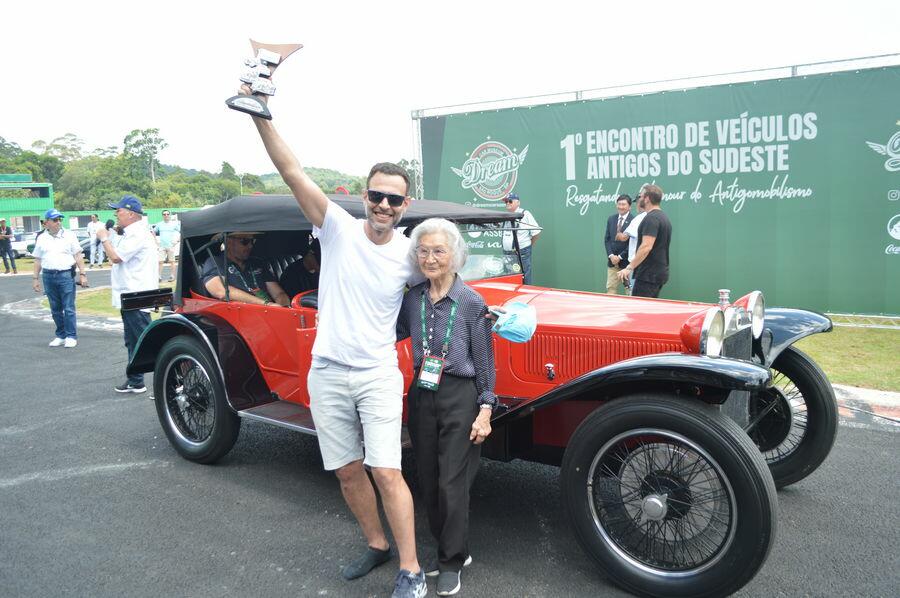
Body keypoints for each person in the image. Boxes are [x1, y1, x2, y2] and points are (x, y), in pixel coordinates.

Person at [241, 84, 426, 597]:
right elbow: (292, 172)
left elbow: (446, 284)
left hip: (376, 374)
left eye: (394, 198)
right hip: (326, 370)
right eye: (376, 195)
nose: (384, 204)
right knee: (346, 471)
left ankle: (411, 570)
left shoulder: (411, 253)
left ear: (404, 204)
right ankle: (376, 545)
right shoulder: (337, 227)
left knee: (386, 470)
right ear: (363, 195)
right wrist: (262, 117)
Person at [397, 218, 495, 597]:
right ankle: (454, 547)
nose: (430, 258)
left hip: (460, 394)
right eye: (423, 250)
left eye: (438, 250)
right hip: (422, 390)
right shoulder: (413, 297)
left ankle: (451, 560)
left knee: (451, 480)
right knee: (426, 475)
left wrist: (485, 409)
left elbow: (485, 361)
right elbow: (395, 332)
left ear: (455, 255)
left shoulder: (471, 302)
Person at [96, 195, 159, 393]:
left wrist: (104, 237)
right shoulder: (131, 232)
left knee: (146, 341)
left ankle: (173, 382)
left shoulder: (137, 233)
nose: (116, 214)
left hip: (137, 294)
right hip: (130, 294)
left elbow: (116, 257)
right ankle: (135, 380)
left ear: (131, 214)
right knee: (132, 340)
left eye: (119, 210)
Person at [31, 208, 88, 347]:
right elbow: (38, 259)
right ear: (46, 223)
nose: (58, 222)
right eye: (55, 220)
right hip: (48, 275)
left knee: (68, 307)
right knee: (55, 308)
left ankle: (71, 336)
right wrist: (35, 278)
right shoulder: (42, 237)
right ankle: (61, 335)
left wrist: (83, 274)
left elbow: (78, 255)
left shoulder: (69, 235)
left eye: (59, 220)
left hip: (65, 275)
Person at [201, 232, 290, 307]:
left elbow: (279, 293)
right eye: (245, 241)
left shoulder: (257, 263)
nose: (250, 246)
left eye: (252, 241)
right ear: (228, 242)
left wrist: (284, 308)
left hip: (269, 315)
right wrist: (266, 305)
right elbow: (221, 291)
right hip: (238, 318)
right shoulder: (215, 262)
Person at [618, 184, 672, 298]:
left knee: (639, 311)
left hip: (648, 275)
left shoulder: (651, 218)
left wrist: (629, 267)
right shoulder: (663, 217)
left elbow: (646, 246)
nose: (639, 199)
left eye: (640, 196)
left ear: (647, 198)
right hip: (655, 274)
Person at [500, 193, 540, 284]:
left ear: (518, 202)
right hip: (507, 254)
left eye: (510, 201)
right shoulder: (504, 215)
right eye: (506, 201)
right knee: (508, 279)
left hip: (521, 253)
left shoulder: (525, 214)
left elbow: (536, 232)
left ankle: (525, 297)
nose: (507, 203)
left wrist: (527, 246)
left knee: (524, 278)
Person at [617, 187, 649, 294]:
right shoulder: (654, 216)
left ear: (641, 202)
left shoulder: (639, 218)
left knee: (634, 297)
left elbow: (623, 237)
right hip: (648, 265)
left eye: (637, 202)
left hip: (637, 265)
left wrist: (619, 233)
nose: (636, 205)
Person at [604, 195, 633, 294]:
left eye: (623, 204)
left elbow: (633, 244)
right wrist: (611, 256)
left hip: (627, 264)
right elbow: (607, 240)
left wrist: (620, 257)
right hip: (612, 263)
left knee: (629, 291)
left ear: (629, 207)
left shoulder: (634, 221)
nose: (621, 206)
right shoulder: (611, 219)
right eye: (619, 204)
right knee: (610, 289)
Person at [155, 210, 180, 282]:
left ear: (169, 215)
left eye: (167, 214)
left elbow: (182, 231)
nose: (166, 215)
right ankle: (158, 277)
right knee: (160, 261)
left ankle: (172, 276)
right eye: (164, 214)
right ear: (162, 215)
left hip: (170, 246)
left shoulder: (174, 224)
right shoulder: (159, 224)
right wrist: (156, 241)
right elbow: (153, 232)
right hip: (162, 246)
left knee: (172, 261)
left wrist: (177, 241)